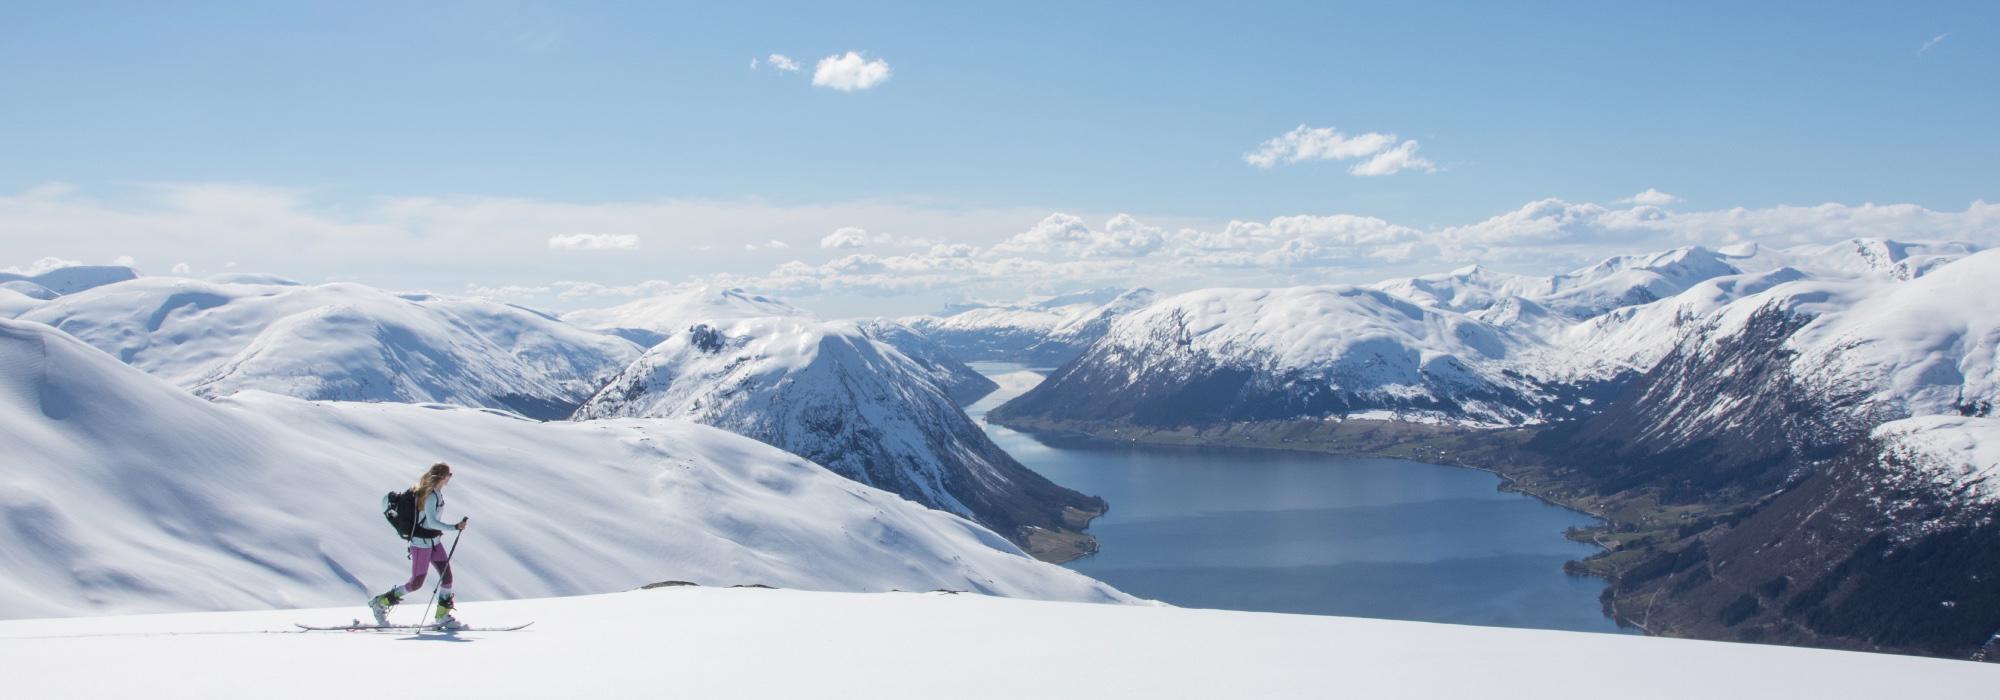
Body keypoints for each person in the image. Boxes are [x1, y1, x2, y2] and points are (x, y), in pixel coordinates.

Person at [368, 462, 469, 627]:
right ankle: (380, 602)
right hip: (421, 544)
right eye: (449, 475)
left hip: (433, 542)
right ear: (443, 477)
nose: (450, 478)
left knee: (447, 578)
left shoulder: (436, 494)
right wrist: (454, 527)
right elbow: (432, 522)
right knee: (416, 583)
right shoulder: (430, 496)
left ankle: (442, 616)